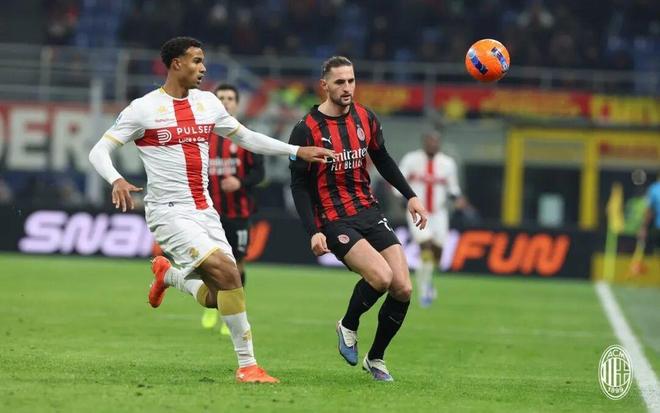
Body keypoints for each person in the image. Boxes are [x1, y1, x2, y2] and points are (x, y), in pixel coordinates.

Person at [88, 37, 333, 383]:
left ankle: (169, 277)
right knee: (230, 274)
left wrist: (296, 151)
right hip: (169, 212)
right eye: (197, 61)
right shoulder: (143, 109)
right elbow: (98, 150)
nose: (203, 68)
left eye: (203, 61)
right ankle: (248, 367)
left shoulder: (207, 103)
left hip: (205, 210)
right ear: (176, 64)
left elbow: (246, 137)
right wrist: (116, 179)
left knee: (218, 295)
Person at [289, 56, 428, 382]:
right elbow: (299, 185)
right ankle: (348, 324)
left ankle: (376, 358)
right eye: (340, 82)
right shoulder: (306, 129)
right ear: (324, 85)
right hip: (335, 219)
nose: (347, 88)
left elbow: (383, 158)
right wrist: (313, 231)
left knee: (403, 287)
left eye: (351, 81)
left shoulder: (366, 118)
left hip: (369, 211)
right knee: (381, 277)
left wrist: (410, 195)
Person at [201, 83, 265, 334]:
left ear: (237, 104)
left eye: (230, 98)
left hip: (238, 212)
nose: (225, 102)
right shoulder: (203, 137)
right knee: (208, 263)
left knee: (237, 264)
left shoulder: (245, 136)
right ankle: (211, 305)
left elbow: (259, 173)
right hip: (208, 212)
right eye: (221, 98)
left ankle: (235, 314)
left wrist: (240, 182)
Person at [398, 131, 465, 307]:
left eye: (435, 142)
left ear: (439, 144)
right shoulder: (411, 159)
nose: (432, 144)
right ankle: (424, 288)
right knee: (425, 246)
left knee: (437, 253)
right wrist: (401, 197)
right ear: (424, 142)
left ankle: (427, 280)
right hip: (417, 212)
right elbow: (398, 179)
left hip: (439, 214)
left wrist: (457, 199)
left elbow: (453, 187)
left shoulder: (447, 163)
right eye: (429, 141)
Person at [638, 172, 660, 255]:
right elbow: (649, 210)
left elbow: (649, 210)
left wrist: (643, 228)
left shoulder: (654, 189)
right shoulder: (655, 189)